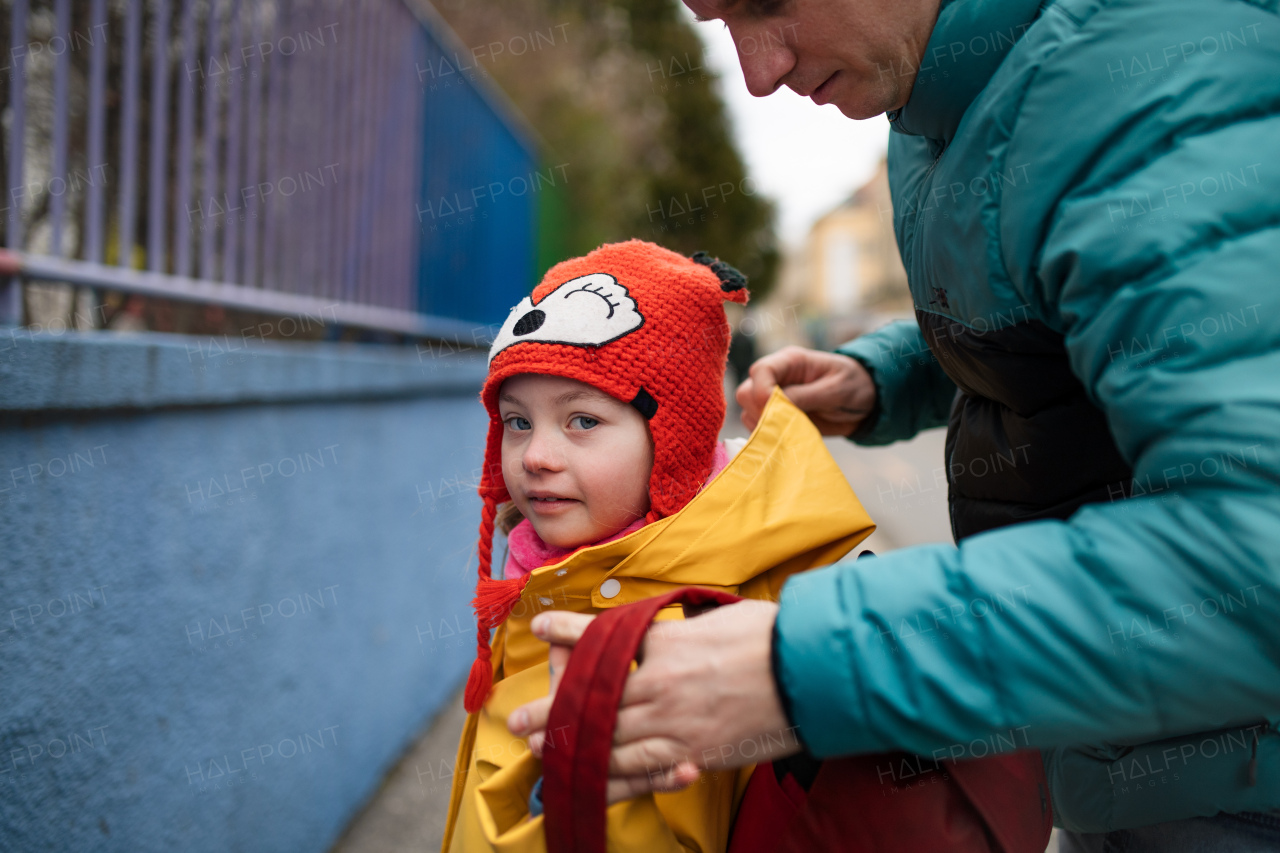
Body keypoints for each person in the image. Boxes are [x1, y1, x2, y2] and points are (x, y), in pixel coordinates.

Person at [506, 0, 1280, 849]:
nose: (759, 72)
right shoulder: (929, 101)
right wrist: (889, 374)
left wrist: (807, 664)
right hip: (1114, 746)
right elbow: (1074, 308)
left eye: (764, 6)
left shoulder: (1158, 97)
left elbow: (1255, 555)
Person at [440, 239, 875, 853]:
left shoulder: (687, 634)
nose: (535, 456)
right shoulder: (544, 570)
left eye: (583, 421)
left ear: (675, 441)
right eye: (517, 421)